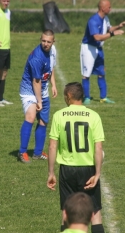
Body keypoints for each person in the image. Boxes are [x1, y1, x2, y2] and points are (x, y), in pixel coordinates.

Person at [47, 82, 105, 233]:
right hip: (88, 170)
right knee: (95, 214)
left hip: (67, 171)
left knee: (67, 213)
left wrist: (51, 173)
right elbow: (98, 148)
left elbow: (52, 146)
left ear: (69, 96)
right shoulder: (94, 116)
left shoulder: (59, 115)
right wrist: (97, 174)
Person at [18, 29, 57, 163]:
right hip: (29, 90)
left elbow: (51, 68)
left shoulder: (53, 51)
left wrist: (53, 84)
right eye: (43, 41)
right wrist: (39, 101)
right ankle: (22, 152)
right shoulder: (37, 58)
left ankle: (38, 153)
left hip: (43, 89)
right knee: (30, 116)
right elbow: (36, 81)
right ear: (40, 40)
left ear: (53, 42)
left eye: (48, 42)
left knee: (44, 121)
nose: (45, 44)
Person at [80, 0, 125, 105]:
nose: (110, 8)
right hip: (89, 48)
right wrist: (113, 34)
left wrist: (119, 26)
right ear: (103, 8)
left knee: (101, 73)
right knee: (86, 74)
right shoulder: (93, 20)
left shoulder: (105, 18)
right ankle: (86, 97)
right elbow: (97, 37)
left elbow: (109, 29)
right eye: (109, 7)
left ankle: (103, 97)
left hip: (99, 49)